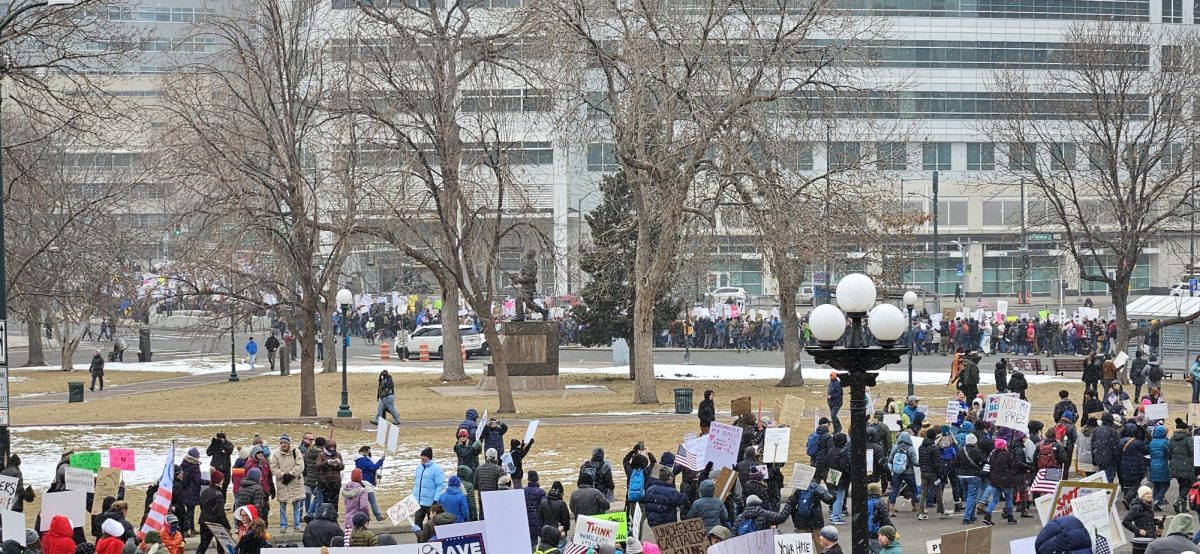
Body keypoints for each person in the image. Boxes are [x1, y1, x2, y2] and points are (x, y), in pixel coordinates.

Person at [411, 447, 446, 528]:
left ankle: (431, 540)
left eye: (425, 456)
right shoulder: (418, 468)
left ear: (429, 457)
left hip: (430, 503)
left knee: (432, 524)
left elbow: (441, 485)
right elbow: (416, 484)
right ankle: (420, 539)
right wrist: (413, 498)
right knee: (417, 522)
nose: (423, 457)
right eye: (422, 456)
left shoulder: (437, 469)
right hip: (419, 502)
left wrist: (436, 499)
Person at [196, 470, 228, 554]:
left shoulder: (205, 492)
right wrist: (226, 525)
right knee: (221, 546)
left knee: (203, 545)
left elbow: (202, 506)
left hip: (204, 521)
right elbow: (220, 512)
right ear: (219, 480)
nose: (223, 480)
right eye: (222, 479)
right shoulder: (218, 494)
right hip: (215, 524)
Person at [1167, 419, 1194, 514]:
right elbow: (1193, 452)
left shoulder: (1172, 438)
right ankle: (1178, 502)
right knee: (1188, 485)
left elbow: (1169, 452)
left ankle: (1183, 507)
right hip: (1187, 466)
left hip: (1175, 467)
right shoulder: (1188, 439)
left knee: (1182, 485)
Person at [353, 446, 385, 522]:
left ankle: (365, 517)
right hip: (366, 483)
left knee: (364, 502)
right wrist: (381, 461)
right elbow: (373, 468)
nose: (370, 453)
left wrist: (376, 475)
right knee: (371, 500)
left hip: (363, 482)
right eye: (369, 451)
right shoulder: (363, 460)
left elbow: (368, 470)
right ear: (365, 452)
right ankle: (377, 516)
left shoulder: (361, 460)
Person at [178, 447, 203, 537]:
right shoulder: (195, 467)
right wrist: (209, 482)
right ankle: (188, 530)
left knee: (189, 512)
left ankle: (190, 529)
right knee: (190, 512)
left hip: (185, 491)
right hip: (192, 492)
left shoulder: (183, 464)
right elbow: (198, 480)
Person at [521, 472, 546, 541]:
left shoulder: (523, 491)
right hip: (538, 520)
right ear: (537, 478)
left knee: (531, 541)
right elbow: (544, 506)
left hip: (527, 520)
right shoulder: (541, 492)